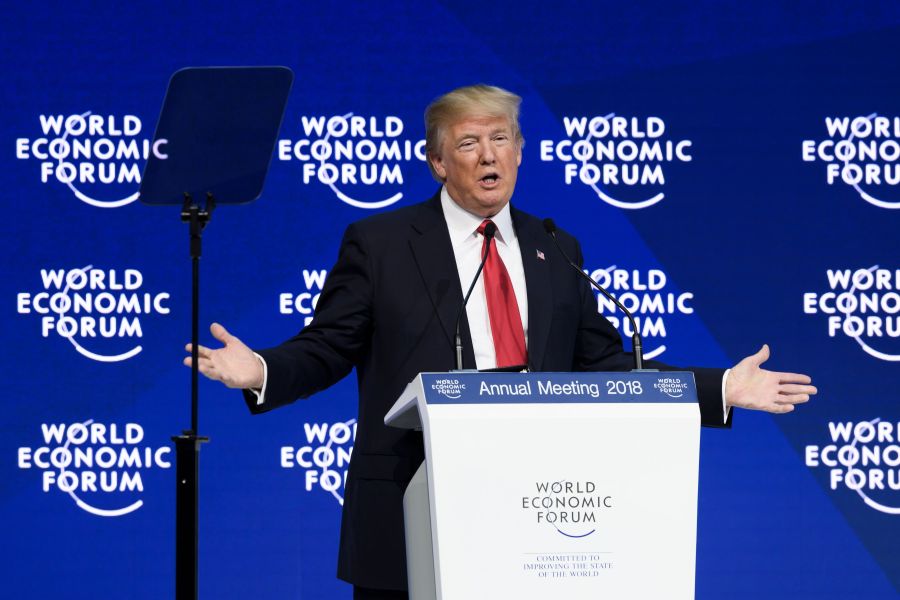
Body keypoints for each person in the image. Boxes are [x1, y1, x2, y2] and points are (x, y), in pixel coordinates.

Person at [185, 84, 816, 600]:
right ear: (437, 161)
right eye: (468, 143)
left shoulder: (554, 248)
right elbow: (328, 347)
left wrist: (720, 388)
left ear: (519, 152)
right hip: (414, 505)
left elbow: (604, 363)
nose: (488, 156)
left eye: (500, 139)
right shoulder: (381, 243)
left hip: (530, 514)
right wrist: (262, 369)